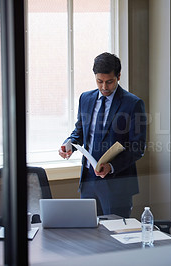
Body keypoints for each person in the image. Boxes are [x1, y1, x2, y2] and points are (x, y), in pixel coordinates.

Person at [59, 52, 146, 218]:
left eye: (109, 82)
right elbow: (79, 132)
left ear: (118, 76)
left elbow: (138, 147)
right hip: (88, 180)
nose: (104, 87)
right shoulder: (85, 98)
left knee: (115, 237)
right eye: (100, 81)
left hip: (117, 182)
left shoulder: (133, 104)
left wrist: (112, 167)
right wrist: (68, 144)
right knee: (88, 235)